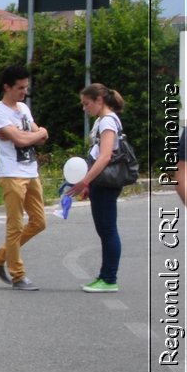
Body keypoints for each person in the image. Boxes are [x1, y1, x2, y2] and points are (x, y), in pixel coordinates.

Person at [0, 63, 48, 291]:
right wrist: (29, 134)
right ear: (7, 87)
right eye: (20, 88)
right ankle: (18, 275)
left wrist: (31, 133)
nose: (24, 92)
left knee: (39, 222)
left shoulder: (23, 108)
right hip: (12, 174)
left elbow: (40, 134)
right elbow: (22, 140)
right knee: (15, 226)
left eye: (26, 87)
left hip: (31, 171)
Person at [70, 83, 125, 292]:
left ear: (99, 100)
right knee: (105, 230)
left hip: (105, 182)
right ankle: (105, 276)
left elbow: (104, 156)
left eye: (87, 104)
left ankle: (109, 279)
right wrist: (89, 183)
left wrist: (85, 181)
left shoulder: (107, 122)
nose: (85, 109)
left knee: (108, 230)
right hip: (100, 182)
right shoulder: (103, 120)